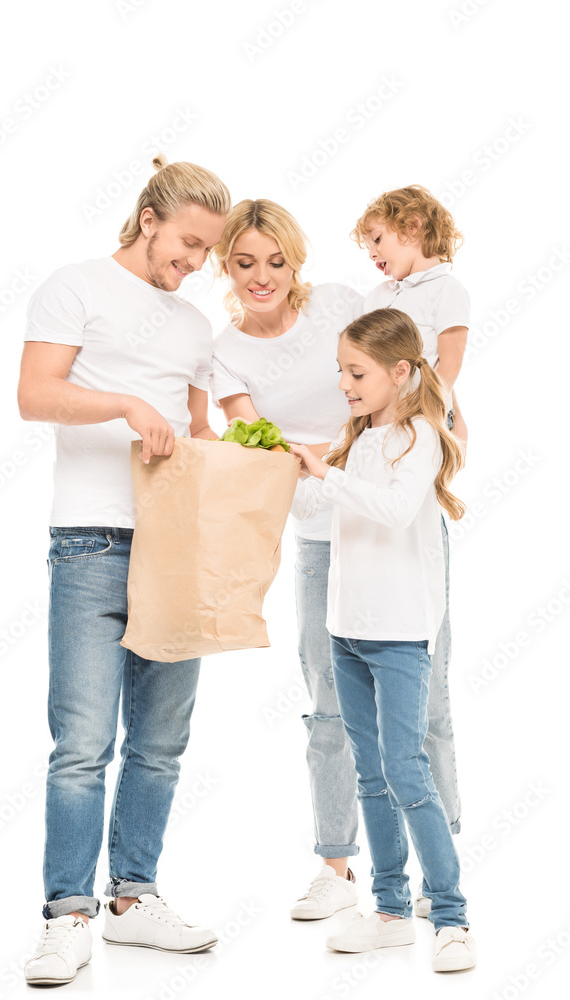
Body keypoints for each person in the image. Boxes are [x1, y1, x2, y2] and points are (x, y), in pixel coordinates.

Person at [17, 155, 230, 986]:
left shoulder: (191, 329)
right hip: (91, 542)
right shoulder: (73, 286)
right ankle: (66, 916)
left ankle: (133, 901)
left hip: (178, 547)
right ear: (149, 220)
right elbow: (34, 394)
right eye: (187, 242)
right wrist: (126, 405)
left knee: (161, 744)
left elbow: (203, 429)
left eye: (207, 250)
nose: (195, 263)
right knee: (80, 744)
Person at [287, 307, 477, 973]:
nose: (344, 382)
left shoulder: (419, 434)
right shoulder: (358, 437)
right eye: (340, 369)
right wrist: (288, 473)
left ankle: (449, 915)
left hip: (398, 633)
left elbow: (395, 510)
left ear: (400, 373)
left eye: (356, 371)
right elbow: (316, 508)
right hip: (346, 629)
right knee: (369, 775)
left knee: (405, 770)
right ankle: (391, 911)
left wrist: (327, 475)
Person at [210, 199, 364, 919]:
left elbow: (393, 387)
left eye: (275, 262)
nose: (260, 277)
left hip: (389, 523)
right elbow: (254, 435)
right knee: (327, 703)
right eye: (244, 264)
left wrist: (333, 454)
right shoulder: (225, 349)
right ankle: (336, 868)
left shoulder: (337, 305)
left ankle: (433, 868)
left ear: (296, 261)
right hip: (318, 538)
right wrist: (310, 454)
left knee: (418, 702)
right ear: (225, 266)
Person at [353, 185, 470, 917]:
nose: (372, 253)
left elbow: (443, 374)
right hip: (379, 451)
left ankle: (442, 853)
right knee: (383, 726)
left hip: (416, 439)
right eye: (366, 244)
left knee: (429, 693)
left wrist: (422, 429)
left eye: (379, 238)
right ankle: (397, 871)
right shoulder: (378, 294)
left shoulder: (444, 288)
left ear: (414, 226)